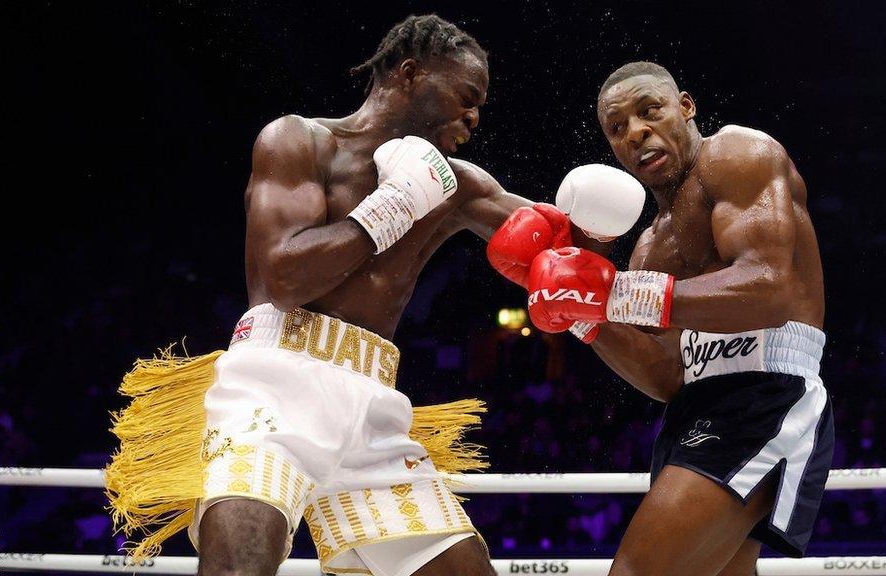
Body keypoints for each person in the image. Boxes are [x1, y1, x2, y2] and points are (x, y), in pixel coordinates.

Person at [107, 14, 541, 576]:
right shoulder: (299, 141)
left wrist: (606, 218)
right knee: (239, 563)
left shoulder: (455, 185)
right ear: (409, 74)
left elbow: (554, 243)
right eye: (466, 96)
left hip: (373, 411)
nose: (474, 116)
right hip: (271, 389)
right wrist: (392, 208)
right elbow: (286, 280)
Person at [491, 61, 834, 576]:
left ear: (687, 107)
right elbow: (665, 377)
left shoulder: (736, 153)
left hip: (766, 394)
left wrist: (615, 295)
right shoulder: (649, 248)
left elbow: (770, 287)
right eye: (617, 128)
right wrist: (585, 316)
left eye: (649, 111)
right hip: (696, 409)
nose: (636, 132)